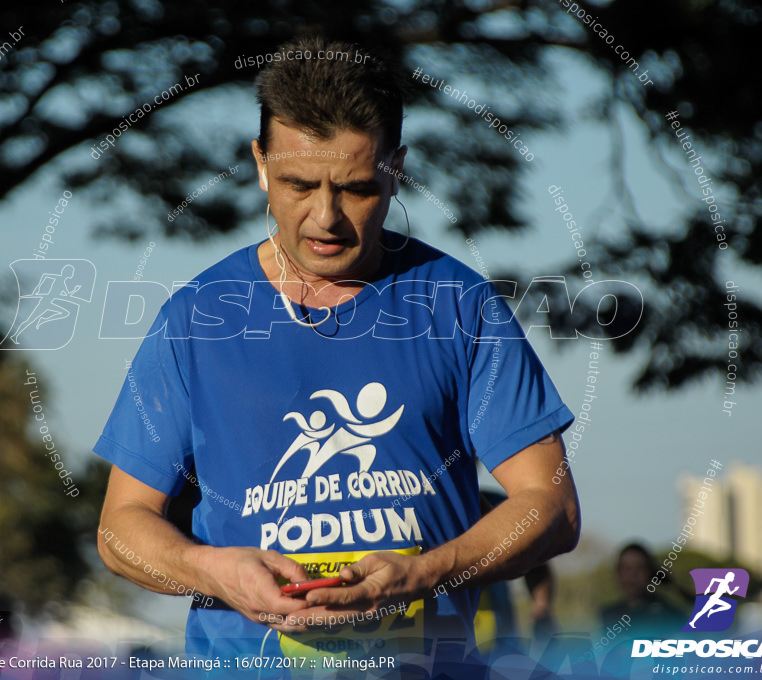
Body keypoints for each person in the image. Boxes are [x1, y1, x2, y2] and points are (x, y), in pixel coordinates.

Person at [94, 33, 581, 677]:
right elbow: (121, 528)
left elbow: (551, 507)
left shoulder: (460, 304)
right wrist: (212, 570)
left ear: (395, 168)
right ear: (261, 164)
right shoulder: (196, 317)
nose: (325, 217)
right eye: (298, 183)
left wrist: (426, 572)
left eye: (354, 188)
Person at [600, 543, 686, 638]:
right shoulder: (609, 615)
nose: (632, 575)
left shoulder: (670, 614)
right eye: (626, 568)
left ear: (649, 572)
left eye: (639, 568)